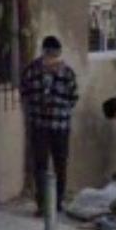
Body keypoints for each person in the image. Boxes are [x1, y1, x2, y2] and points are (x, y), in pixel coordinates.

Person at [20, 36, 79, 216]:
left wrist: (58, 106)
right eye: (49, 56)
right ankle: (42, 204)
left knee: (60, 164)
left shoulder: (67, 73)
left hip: (60, 126)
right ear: (44, 54)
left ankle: (58, 202)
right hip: (39, 125)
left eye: (55, 57)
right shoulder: (31, 71)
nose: (52, 61)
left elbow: (74, 97)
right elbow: (25, 94)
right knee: (40, 165)